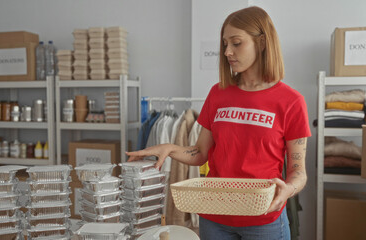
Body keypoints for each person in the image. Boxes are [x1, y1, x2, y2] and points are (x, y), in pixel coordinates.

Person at [127, 6, 311, 240]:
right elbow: (201, 153)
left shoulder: (291, 102)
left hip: (263, 220)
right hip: (215, 216)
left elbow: (298, 172)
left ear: (262, 43)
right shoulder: (218, 93)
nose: (227, 52)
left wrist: (289, 189)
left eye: (236, 43)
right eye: (225, 44)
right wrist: (170, 149)